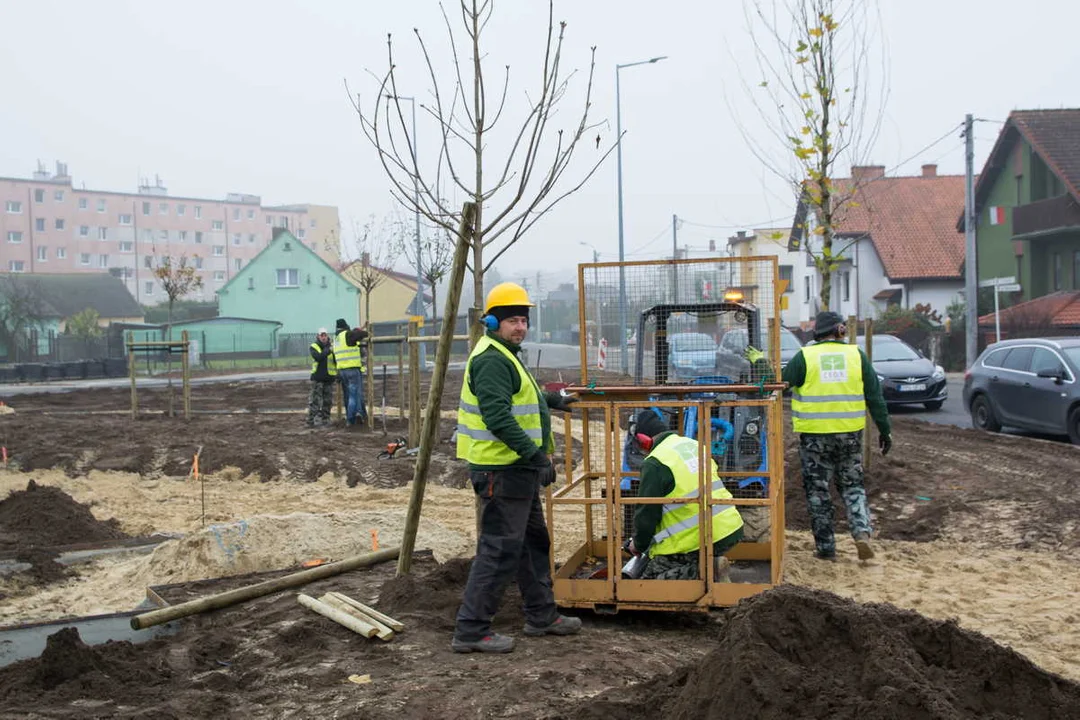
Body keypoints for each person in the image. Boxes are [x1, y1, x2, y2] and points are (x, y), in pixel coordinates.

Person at [452, 282, 581, 654]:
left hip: (514, 470)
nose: (520, 327)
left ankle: (542, 614)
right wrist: (536, 455)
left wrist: (554, 399)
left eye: (523, 319)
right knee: (499, 550)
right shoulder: (491, 358)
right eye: (512, 320)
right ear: (492, 321)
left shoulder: (506, 354)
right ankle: (471, 629)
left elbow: (522, 396)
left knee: (531, 544)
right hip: (501, 470)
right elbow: (498, 417)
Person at [780, 311, 891, 562]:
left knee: (817, 492)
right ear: (840, 330)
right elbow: (875, 397)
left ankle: (827, 548)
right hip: (849, 436)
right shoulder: (856, 356)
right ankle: (861, 533)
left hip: (814, 439)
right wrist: (885, 430)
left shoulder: (805, 357)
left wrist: (761, 367)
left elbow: (781, 383)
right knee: (853, 487)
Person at [625, 410, 745, 581]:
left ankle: (710, 569)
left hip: (700, 537)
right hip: (728, 529)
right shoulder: (692, 444)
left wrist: (638, 544)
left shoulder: (655, 462)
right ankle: (709, 563)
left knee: (649, 581)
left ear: (644, 440)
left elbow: (647, 513)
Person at [333, 318, 367, 427]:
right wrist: (366, 331)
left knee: (347, 395)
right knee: (354, 395)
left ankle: (355, 414)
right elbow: (362, 334)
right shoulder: (347, 335)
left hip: (342, 370)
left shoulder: (336, 338)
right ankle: (351, 419)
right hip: (352, 369)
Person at [306, 328, 336, 428]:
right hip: (317, 378)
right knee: (315, 401)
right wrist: (328, 350)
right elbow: (318, 357)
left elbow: (336, 361)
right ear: (318, 336)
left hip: (329, 378)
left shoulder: (333, 347)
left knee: (327, 401)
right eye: (321, 335)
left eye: (325, 335)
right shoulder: (314, 346)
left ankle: (325, 420)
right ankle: (310, 421)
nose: (323, 337)